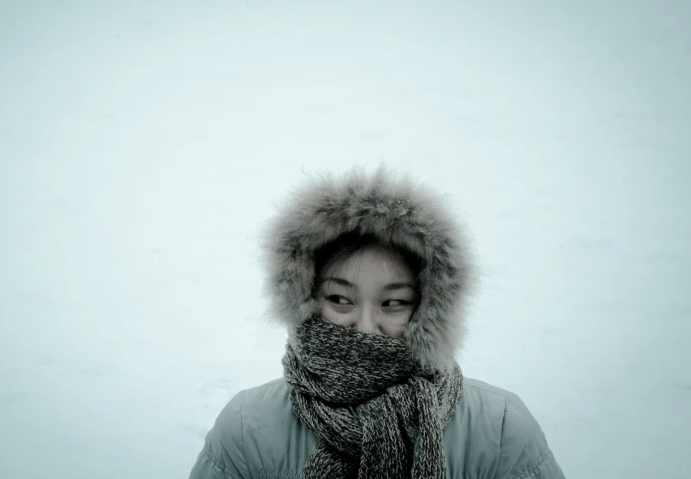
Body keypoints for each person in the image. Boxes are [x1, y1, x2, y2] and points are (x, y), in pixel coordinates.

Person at [189, 166, 565, 479]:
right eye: (340, 299)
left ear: (428, 309)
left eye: (393, 303)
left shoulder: (499, 429)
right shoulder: (245, 427)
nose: (366, 326)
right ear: (306, 299)